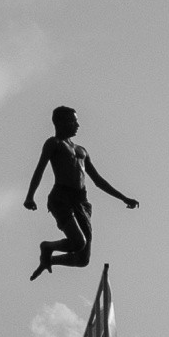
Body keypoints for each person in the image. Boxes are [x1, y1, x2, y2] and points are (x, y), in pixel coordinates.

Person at [23, 106, 140, 280]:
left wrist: (123, 198)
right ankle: (47, 246)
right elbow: (39, 169)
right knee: (78, 242)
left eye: (77, 122)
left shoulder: (82, 150)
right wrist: (30, 196)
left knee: (82, 259)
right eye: (73, 121)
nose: (77, 125)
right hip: (61, 197)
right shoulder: (54, 143)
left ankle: (49, 258)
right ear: (60, 123)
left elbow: (98, 180)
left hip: (81, 201)